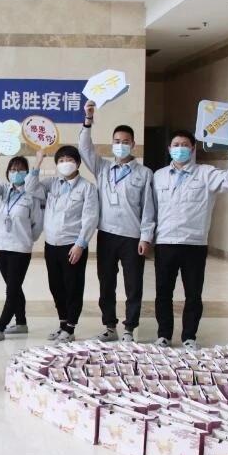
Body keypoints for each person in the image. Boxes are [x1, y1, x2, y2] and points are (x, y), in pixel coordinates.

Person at [152, 130, 228, 351]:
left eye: (185, 145)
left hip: (194, 244)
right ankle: (164, 334)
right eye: (176, 145)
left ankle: (189, 337)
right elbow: (151, 209)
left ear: (193, 149)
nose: (180, 148)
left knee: (193, 294)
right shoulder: (159, 176)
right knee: (163, 292)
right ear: (169, 149)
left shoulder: (206, 173)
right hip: (165, 242)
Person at [78, 101, 156, 343]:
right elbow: (84, 148)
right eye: (117, 141)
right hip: (107, 234)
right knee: (106, 283)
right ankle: (109, 326)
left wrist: (146, 237)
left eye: (125, 141)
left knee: (133, 285)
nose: (121, 145)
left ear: (133, 144)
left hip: (132, 237)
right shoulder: (103, 167)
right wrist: (88, 121)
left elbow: (148, 208)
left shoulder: (144, 173)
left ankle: (130, 328)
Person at [29, 146, 99, 342]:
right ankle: (62, 323)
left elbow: (90, 218)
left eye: (69, 159)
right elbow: (30, 188)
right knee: (56, 286)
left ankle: (70, 327)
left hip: (72, 245)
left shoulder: (87, 188)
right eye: (61, 160)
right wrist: (37, 162)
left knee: (73, 287)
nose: (65, 163)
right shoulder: (51, 183)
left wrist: (80, 244)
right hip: (51, 244)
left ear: (78, 163)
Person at [0, 153, 44, 343]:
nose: (16, 173)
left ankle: (0, 327)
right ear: (7, 172)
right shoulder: (1, 189)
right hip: (1, 246)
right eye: (13, 169)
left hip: (20, 248)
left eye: (21, 170)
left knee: (12, 289)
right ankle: (21, 322)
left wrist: (27, 238)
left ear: (27, 173)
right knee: (13, 287)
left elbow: (37, 223)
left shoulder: (32, 195)